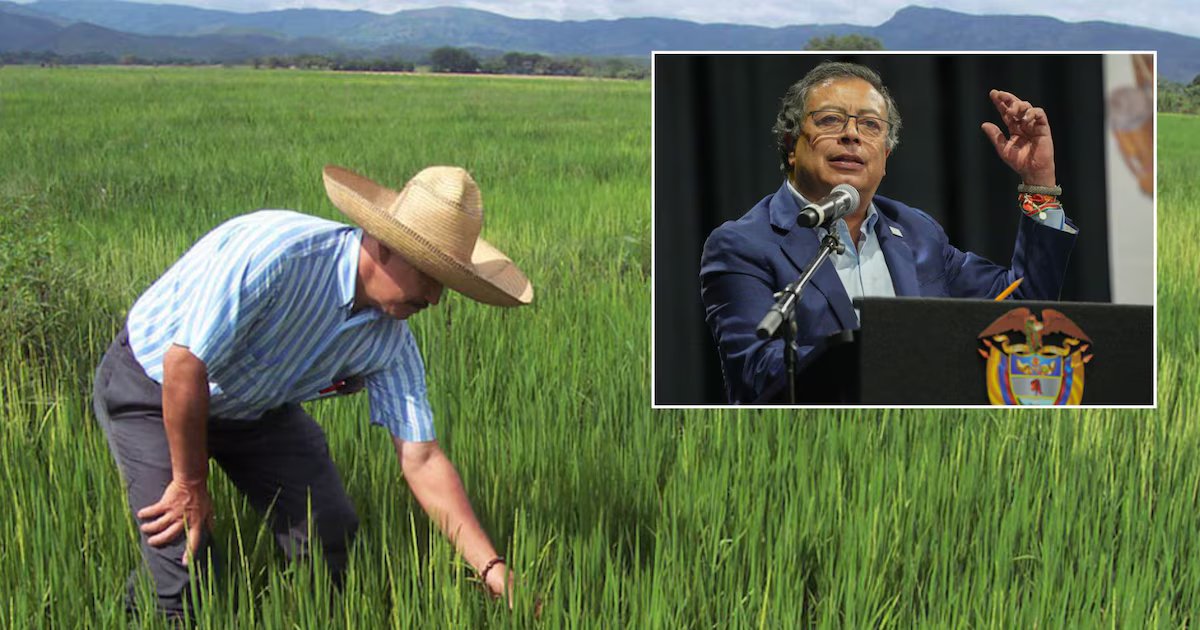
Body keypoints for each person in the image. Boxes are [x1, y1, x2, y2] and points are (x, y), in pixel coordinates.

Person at [92, 164, 533, 619]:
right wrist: (190, 484)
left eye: (446, 284)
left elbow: (422, 458)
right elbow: (184, 364)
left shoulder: (390, 343)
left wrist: (492, 569)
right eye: (428, 275)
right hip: (153, 389)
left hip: (256, 408)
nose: (435, 298)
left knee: (327, 534)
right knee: (188, 566)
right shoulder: (279, 256)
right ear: (384, 244)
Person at [699, 61, 1077, 404]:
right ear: (790, 145)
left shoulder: (917, 232)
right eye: (830, 120)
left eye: (870, 125)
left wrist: (1039, 182)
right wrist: (882, 353)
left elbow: (1024, 309)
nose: (852, 135)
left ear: (885, 157)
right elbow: (757, 373)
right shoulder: (743, 244)